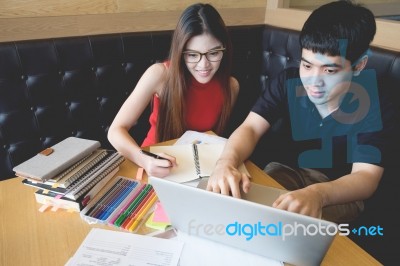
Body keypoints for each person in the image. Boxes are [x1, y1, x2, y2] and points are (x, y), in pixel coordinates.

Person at [206, 0, 398, 223]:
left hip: (339, 192)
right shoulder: (289, 81)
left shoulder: (375, 105)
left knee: (286, 228)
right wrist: (225, 163)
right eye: (307, 66)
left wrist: (318, 193)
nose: (313, 81)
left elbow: (365, 178)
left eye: (329, 70)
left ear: (358, 66)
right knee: (235, 209)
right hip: (286, 171)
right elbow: (250, 127)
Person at [108, 3, 239, 178]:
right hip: (151, 165)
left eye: (213, 53)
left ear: (224, 49)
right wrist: (146, 160)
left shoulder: (231, 87)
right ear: (180, 52)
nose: (203, 65)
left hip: (195, 172)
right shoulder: (160, 75)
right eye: (192, 55)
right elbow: (115, 131)